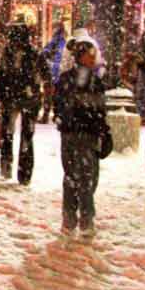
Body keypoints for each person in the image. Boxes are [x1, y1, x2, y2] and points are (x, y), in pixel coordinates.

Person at [53, 39, 110, 236]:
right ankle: (82, 218)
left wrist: (103, 130)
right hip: (79, 133)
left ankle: (73, 217)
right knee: (83, 177)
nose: (93, 58)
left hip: (81, 133)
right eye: (90, 54)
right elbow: (62, 104)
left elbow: (100, 110)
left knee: (80, 177)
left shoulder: (89, 81)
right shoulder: (78, 80)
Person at [0, 22, 50, 184]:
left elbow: (1, 76)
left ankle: (13, 168)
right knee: (18, 135)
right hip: (24, 98)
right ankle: (20, 171)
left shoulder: (12, 54)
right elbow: (46, 77)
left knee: (15, 134)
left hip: (18, 98)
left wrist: (0, 95)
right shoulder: (32, 55)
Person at [39, 22, 67, 123]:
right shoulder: (62, 42)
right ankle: (56, 115)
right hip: (57, 73)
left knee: (49, 95)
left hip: (51, 73)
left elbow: (46, 53)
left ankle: (47, 115)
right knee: (55, 96)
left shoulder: (55, 42)